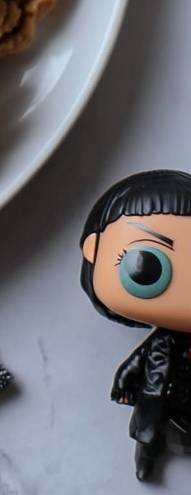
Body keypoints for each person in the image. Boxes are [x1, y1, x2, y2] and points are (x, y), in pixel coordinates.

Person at [80, 170, 191, 482]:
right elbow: (138, 361)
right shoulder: (162, 342)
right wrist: (124, 386)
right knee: (148, 435)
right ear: (95, 250)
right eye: (148, 266)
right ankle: (146, 456)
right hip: (159, 401)